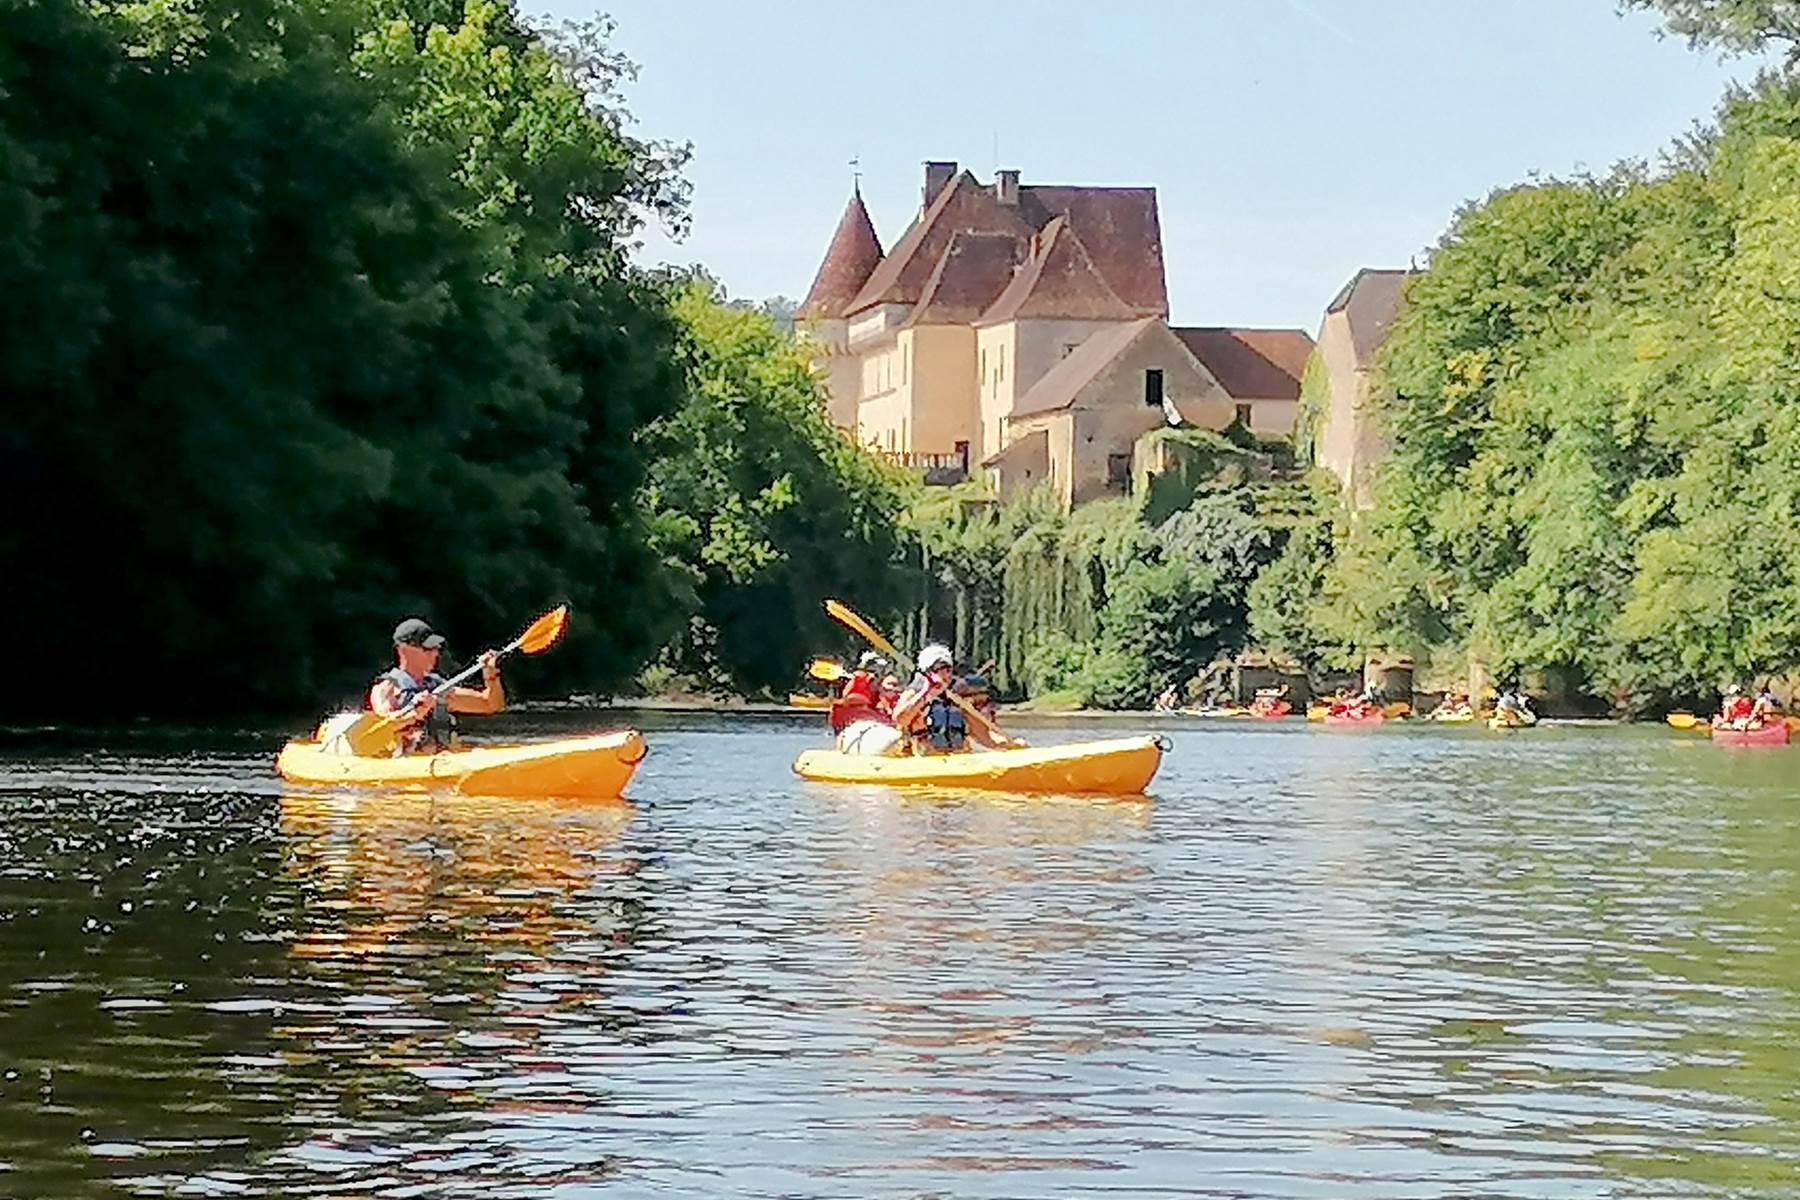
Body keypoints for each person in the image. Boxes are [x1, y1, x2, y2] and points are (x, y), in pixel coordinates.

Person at [367, 618, 504, 755]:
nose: (435, 654)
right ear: (404, 650)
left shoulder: (437, 688)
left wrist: (491, 676)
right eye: (427, 649)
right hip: (403, 765)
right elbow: (383, 725)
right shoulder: (387, 688)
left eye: (436, 649)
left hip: (441, 762)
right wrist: (415, 713)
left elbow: (490, 704)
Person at [830, 651, 888, 734]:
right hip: (852, 716)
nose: (880, 671)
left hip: (864, 716)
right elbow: (847, 699)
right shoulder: (858, 679)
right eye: (875, 667)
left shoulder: (877, 684)